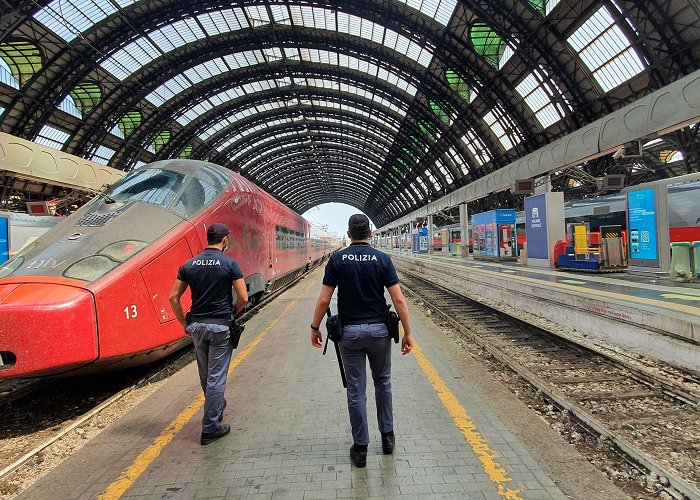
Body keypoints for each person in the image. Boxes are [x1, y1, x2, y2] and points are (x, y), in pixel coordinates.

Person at [310, 214, 415, 467]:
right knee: (383, 383)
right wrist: (409, 332)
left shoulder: (337, 259)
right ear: (369, 233)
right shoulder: (382, 259)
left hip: (350, 334)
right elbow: (399, 299)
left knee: (356, 390)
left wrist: (314, 327)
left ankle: (360, 449)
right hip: (379, 332)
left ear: (349, 234)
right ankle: (387, 438)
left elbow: (324, 300)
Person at [169, 223, 248, 445]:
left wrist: (184, 323)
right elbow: (243, 297)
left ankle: (216, 406)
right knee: (216, 378)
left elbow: (173, 297)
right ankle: (210, 427)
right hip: (220, 327)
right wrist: (231, 314)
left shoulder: (189, 264)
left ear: (208, 238)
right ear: (224, 240)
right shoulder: (229, 264)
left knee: (206, 375)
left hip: (197, 327)